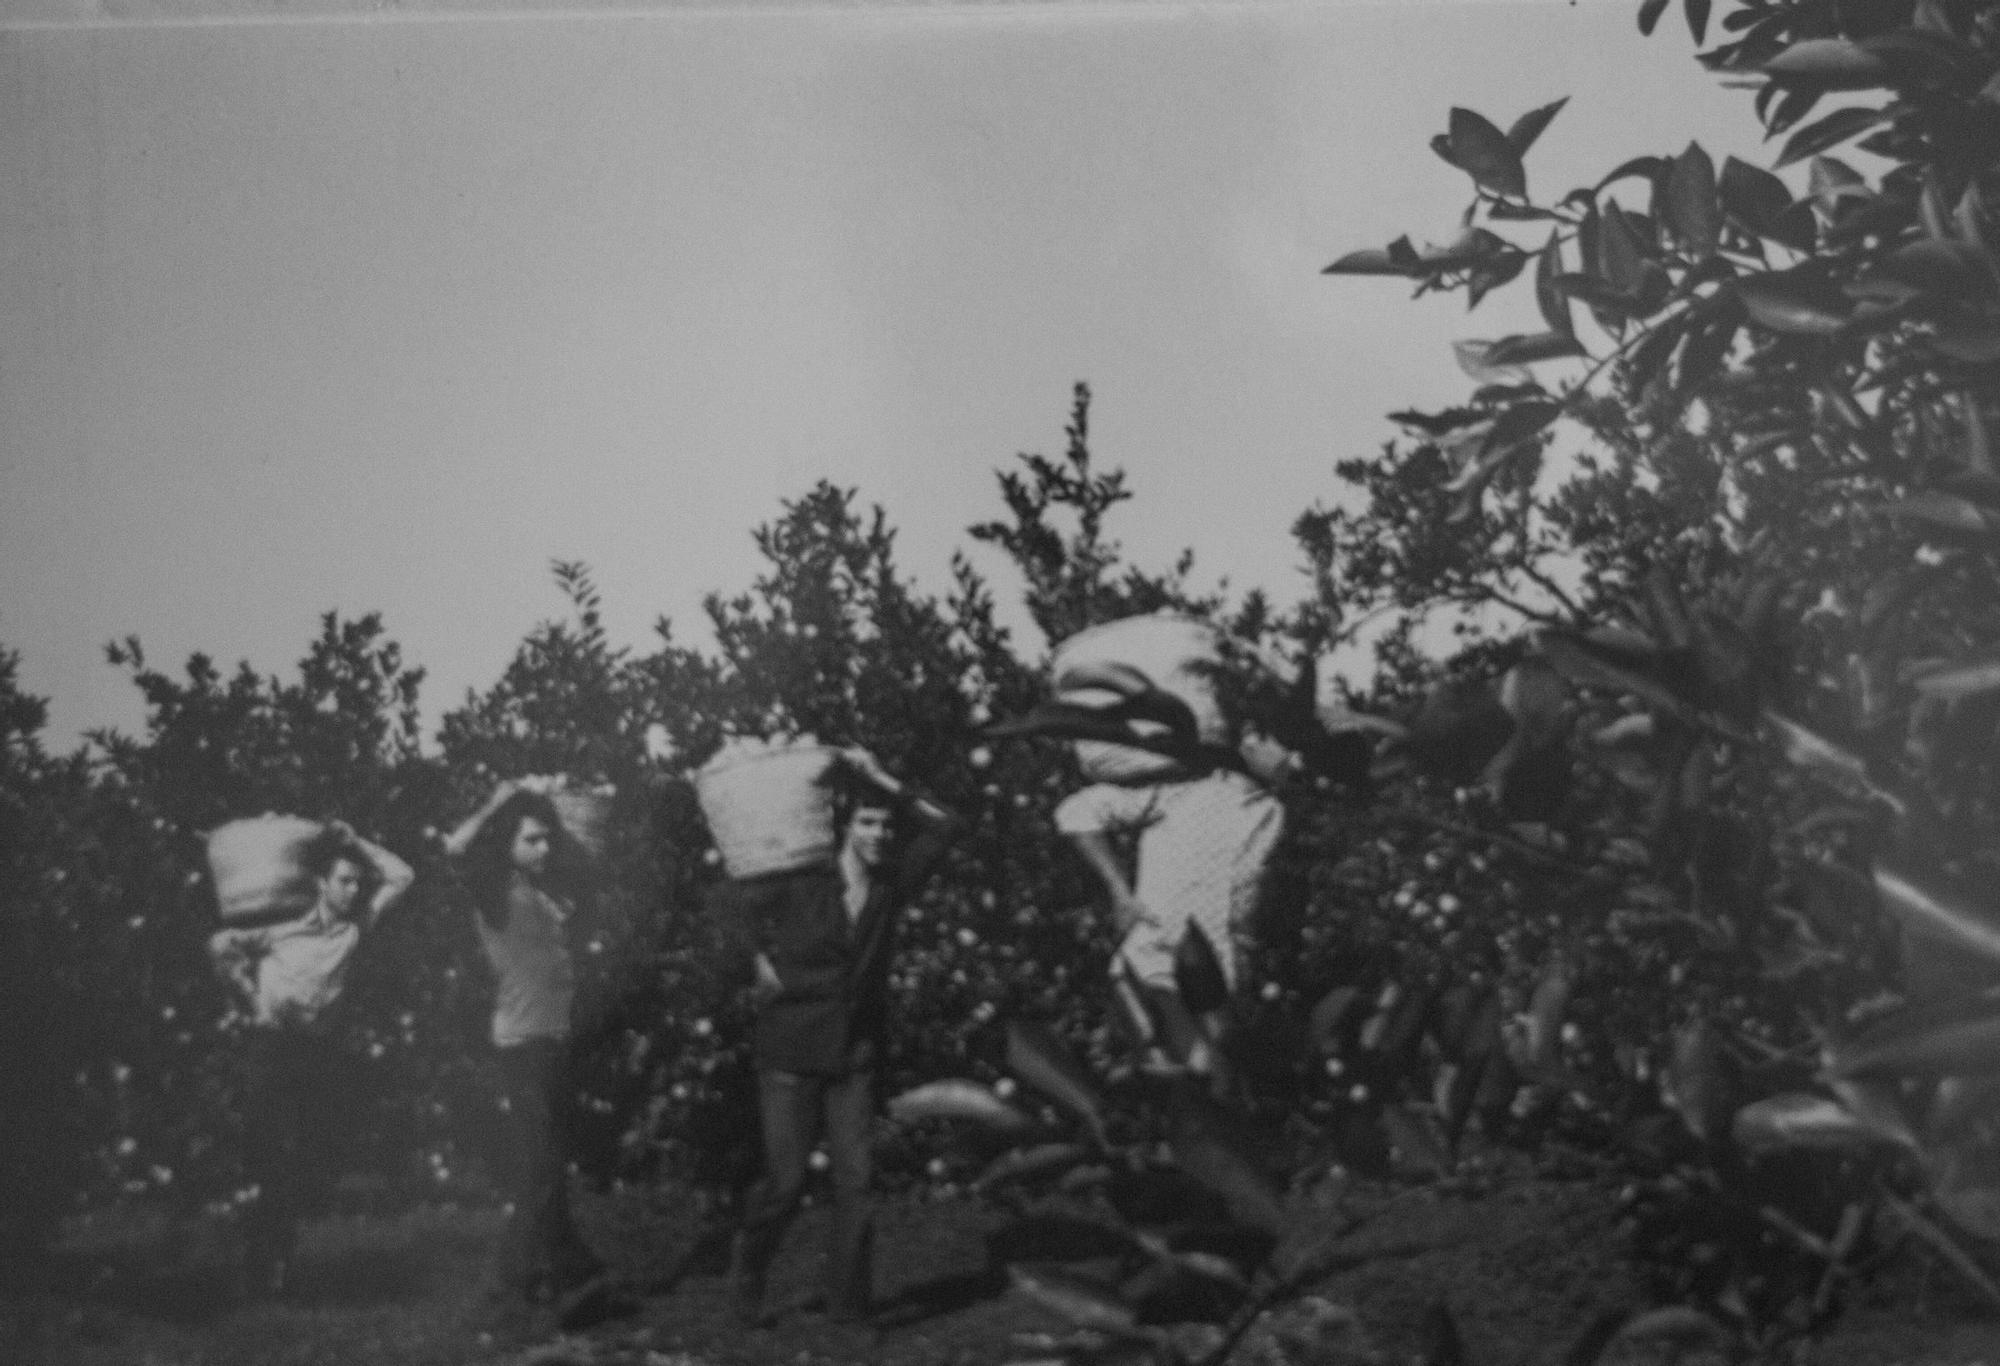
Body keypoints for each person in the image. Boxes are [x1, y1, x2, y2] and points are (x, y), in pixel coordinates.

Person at [714, 748, 958, 1329]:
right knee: (787, 1183)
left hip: (854, 1055)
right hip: (791, 1050)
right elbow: (724, 901)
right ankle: (749, 1263)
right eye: (867, 822)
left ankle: (849, 1311)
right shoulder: (806, 881)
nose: (880, 835)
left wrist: (880, 779)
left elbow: (947, 826)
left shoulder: (891, 885)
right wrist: (756, 961)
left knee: (857, 1183)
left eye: (887, 825)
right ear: (844, 826)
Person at [208, 821, 414, 1297]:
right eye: (345, 879)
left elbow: (402, 876)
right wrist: (243, 996)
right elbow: (222, 946)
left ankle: (275, 1251)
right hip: (272, 1047)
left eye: (358, 882)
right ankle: (267, 1259)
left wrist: (355, 840)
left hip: (318, 1053)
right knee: (266, 1154)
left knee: (311, 1159)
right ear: (321, 884)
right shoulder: (283, 929)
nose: (354, 887)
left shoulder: (358, 929)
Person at [443, 780, 607, 1308]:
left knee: (546, 1162)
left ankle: (547, 1272)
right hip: (523, 1041)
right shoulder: (496, 890)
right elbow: (455, 848)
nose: (543, 850)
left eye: (546, 841)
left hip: (551, 1038)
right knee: (543, 1164)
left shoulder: (540, 893)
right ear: (507, 844)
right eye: (531, 840)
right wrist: (500, 799)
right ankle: (538, 1277)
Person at [1055, 737, 1287, 1084]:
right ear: (1250, 741)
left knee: (1221, 1093)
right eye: (1284, 745)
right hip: (1155, 968)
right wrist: (1120, 894)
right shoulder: (1185, 788)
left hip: (1221, 981)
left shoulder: (1273, 812)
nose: (1293, 759)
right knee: (1188, 1083)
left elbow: (1246, 899)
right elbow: (1076, 813)